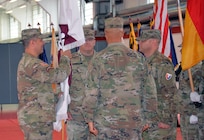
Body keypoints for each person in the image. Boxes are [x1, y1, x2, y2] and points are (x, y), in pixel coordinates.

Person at [82, 17, 158, 140]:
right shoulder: (139, 58)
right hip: (133, 121)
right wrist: (149, 117)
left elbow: (91, 93)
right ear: (123, 34)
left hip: (105, 123)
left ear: (106, 34)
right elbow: (150, 91)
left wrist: (89, 119)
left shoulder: (97, 60)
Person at [17, 28, 72, 140]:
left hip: (38, 117)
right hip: (35, 119)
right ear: (32, 42)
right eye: (40, 40)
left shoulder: (30, 62)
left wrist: (57, 94)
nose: (44, 42)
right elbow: (59, 75)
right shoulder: (32, 64)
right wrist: (65, 58)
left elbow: (40, 89)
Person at [137, 29, 178, 139]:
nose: (139, 43)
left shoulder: (162, 63)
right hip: (147, 119)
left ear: (153, 42)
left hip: (160, 121)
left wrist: (165, 119)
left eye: (142, 41)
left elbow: (169, 92)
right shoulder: (143, 62)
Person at [67, 28, 97, 140]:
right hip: (76, 116)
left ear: (95, 41)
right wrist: (63, 108)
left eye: (90, 39)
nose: (87, 42)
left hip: (98, 116)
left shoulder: (102, 61)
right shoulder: (69, 61)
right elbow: (61, 86)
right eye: (84, 39)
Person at [178, 60, 204, 140]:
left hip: (198, 117)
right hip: (186, 116)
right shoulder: (185, 65)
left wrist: (199, 98)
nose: (182, 51)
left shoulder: (201, 67)